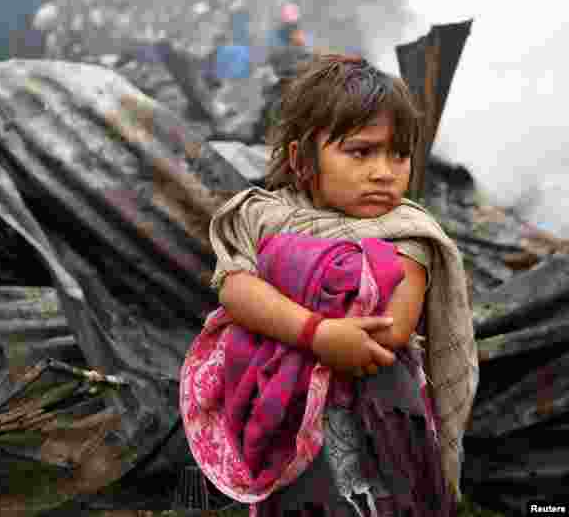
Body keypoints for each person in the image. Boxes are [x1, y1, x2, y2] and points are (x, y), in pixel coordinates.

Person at [180, 55, 478, 516]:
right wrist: (317, 333)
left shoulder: (408, 229)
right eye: (361, 152)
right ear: (302, 159)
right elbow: (236, 290)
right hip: (282, 403)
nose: (384, 171)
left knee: (381, 495)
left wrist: (285, 307)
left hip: (376, 407)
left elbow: (392, 328)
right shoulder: (262, 217)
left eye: (399, 154)